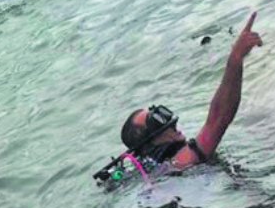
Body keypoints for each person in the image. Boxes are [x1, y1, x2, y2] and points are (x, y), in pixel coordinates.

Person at [100, 12, 262, 181]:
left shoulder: (157, 172)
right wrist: (236, 56)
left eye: (160, 112)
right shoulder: (181, 162)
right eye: (156, 120)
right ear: (151, 141)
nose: (168, 121)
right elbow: (219, 117)